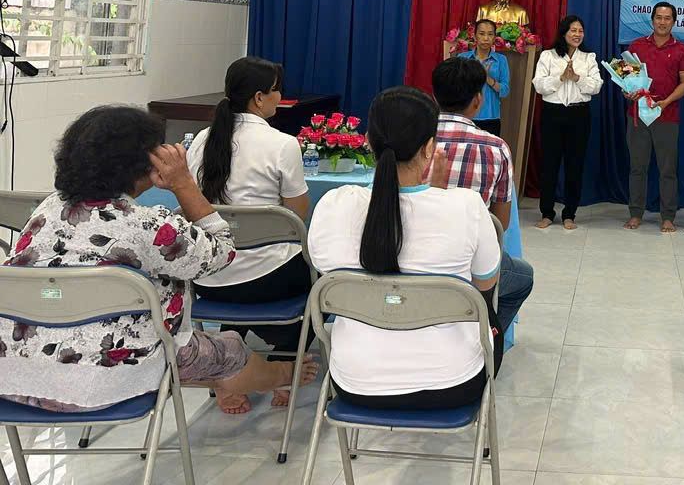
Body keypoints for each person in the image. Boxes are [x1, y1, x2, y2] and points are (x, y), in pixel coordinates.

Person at [0, 105, 316, 414]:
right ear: (145, 163)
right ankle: (283, 374)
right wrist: (183, 183)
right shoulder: (149, 225)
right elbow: (222, 252)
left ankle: (228, 381)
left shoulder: (46, 211)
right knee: (228, 348)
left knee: (191, 345)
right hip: (111, 380)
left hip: (17, 378)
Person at [308, 86, 502, 409]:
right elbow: (485, 284)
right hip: (453, 382)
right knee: (490, 311)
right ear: (429, 148)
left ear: (367, 141)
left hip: (354, 382)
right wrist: (439, 194)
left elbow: (325, 271)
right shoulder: (466, 207)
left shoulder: (333, 205)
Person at [186, 56, 313, 414]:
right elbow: (295, 218)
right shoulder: (282, 144)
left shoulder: (202, 140)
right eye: (277, 91)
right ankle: (283, 369)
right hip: (269, 281)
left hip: (209, 280)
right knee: (315, 286)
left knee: (236, 270)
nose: (280, 98)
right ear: (259, 97)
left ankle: (229, 371)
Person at [432, 56, 534, 334]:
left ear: (434, 96)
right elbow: (500, 224)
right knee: (523, 277)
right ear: (478, 100)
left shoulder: (412, 139)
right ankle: (486, 333)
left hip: (408, 252)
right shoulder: (496, 147)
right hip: (466, 260)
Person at [624, 1, 684, 233]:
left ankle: (668, 217)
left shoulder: (682, 49)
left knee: (667, 169)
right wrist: (628, 92)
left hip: (667, 115)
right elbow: (627, 81)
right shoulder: (636, 45)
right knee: (637, 167)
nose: (663, 22)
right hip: (638, 115)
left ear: (674, 22)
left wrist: (667, 102)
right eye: (659, 18)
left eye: (667, 18)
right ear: (652, 20)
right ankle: (635, 213)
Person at [533, 14, 602, 230]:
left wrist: (577, 78)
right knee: (550, 165)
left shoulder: (588, 58)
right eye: (573, 30)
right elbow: (539, 85)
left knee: (575, 165)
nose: (577, 34)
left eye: (580, 31)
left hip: (579, 115)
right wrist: (561, 78)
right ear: (564, 32)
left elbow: (596, 86)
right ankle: (546, 212)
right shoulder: (548, 55)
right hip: (552, 114)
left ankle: (569, 214)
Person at [458, 18, 510, 137]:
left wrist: (487, 78)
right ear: (475, 36)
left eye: (490, 34)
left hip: (491, 117)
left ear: (495, 37)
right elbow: (457, 87)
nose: (486, 38)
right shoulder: (462, 58)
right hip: (466, 115)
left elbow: (505, 91)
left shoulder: (501, 60)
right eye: (482, 34)